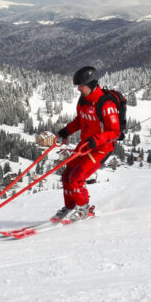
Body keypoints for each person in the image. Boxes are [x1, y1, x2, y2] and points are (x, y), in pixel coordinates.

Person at [52, 66, 120, 224]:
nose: (78, 89)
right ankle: (70, 207)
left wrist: (97, 139)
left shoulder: (106, 104)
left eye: (81, 85)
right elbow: (80, 121)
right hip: (85, 145)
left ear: (91, 84)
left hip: (101, 148)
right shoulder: (83, 100)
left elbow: (115, 132)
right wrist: (66, 131)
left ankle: (83, 208)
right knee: (66, 175)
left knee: (76, 177)